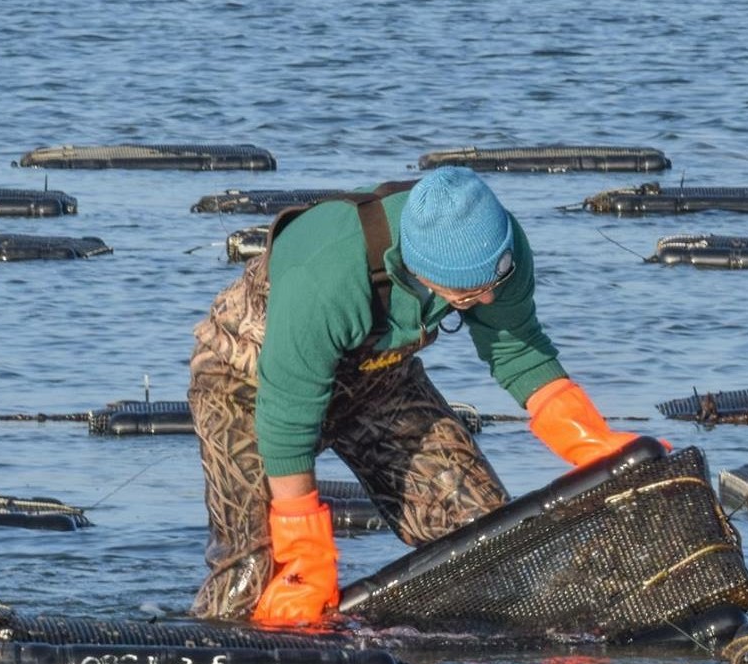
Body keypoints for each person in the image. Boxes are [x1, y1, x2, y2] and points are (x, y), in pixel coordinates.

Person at [188, 166, 654, 627]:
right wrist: (304, 551)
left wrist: (593, 444)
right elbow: (287, 418)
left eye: (495, 282)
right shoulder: (328, 275)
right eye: (469, 295)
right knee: (257, 580)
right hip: (247, 391)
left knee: (488, 540)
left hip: (378, 383)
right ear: (423, 273)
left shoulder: (498, 245)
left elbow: (517, 348)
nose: (488, 301)